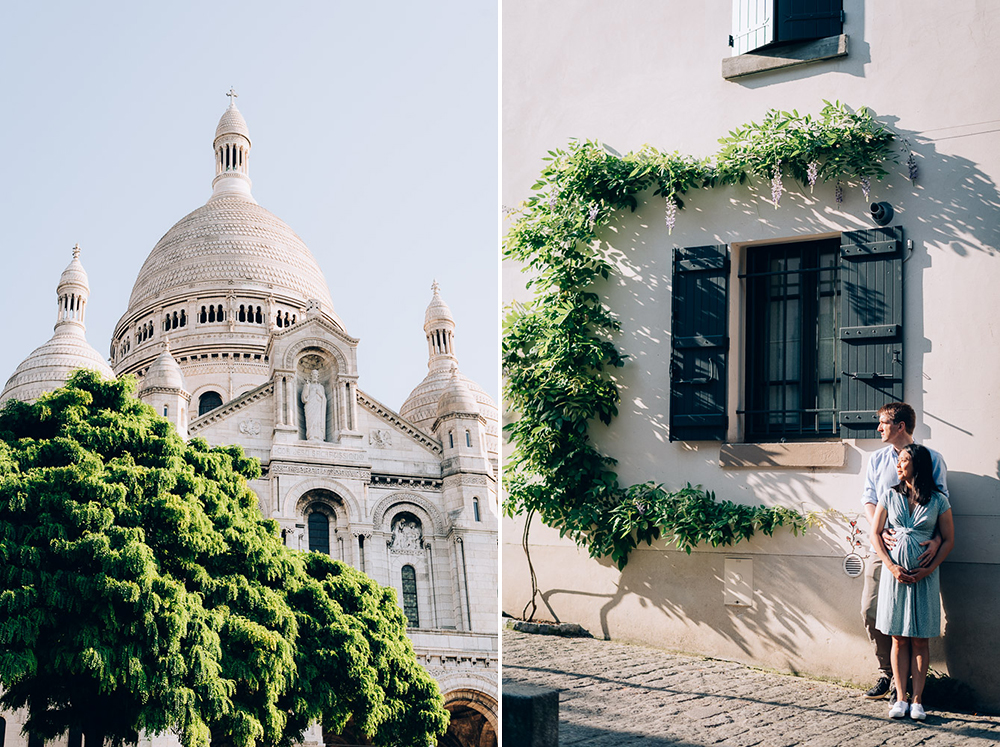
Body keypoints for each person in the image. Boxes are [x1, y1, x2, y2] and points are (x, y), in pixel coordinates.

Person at [860, 402, 948, 701]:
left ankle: (909, 684)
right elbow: (870, 498)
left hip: (921, 550)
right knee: (871, 610)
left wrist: (936, 541)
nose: (878, 428)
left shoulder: (932, 458)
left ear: (900, 426)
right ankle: (888, 673)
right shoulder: (876, 460)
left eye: (883, 423)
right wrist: (879, 529)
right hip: (883, 547)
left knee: (917, 620)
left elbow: (941, 502)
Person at [870, 443, 955, 720]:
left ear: (916, 465)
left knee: (920, 640)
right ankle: (901, 698)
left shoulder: (938, 500)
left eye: (904, 460)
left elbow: (949, 539)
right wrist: (892, 566)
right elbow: (876, 534)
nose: (898, 465)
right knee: (897, 638)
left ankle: (918, 701)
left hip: (924, 577)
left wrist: (928, 571)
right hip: (895, 577)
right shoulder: (888, 495)